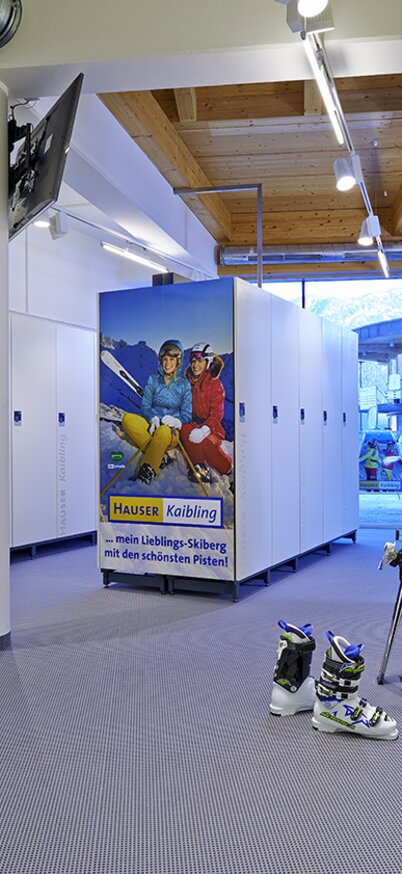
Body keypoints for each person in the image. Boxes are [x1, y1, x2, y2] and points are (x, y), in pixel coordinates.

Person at [121, 339, 192, 485]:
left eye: (171, 359)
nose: (167, 363)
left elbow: (187, 414)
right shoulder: (153, 380)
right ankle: (160, 454)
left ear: (179, 361)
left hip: (171, 432)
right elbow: (145, 407)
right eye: (164, 359)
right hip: (153, 426)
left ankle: (148, 469)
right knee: (128, 419)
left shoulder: (184, 384)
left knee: (164, 431)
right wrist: (152, 417)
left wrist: (176, 421)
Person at [181, 342, 232, 484]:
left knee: (206, 443)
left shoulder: (215, 385)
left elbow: (217, 414)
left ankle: (227, 469)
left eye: (200, 361)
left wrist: (204, 430)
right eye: (193, 361)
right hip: (192, 423)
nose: (195, 365)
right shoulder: (187, 383)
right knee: (185, 430)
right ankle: (199, 466)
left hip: (211, 428)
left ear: (208, 362)